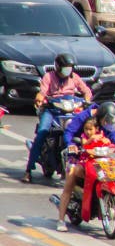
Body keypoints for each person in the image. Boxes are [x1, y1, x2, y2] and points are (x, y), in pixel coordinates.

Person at [22, 53, 92, 184]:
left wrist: (87, 100)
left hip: (69, 110)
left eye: (70, 67)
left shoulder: (74, 77)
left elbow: (86, 91)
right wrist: (40, 98)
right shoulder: (48, 77)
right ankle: (28, 170)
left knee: (83, 133)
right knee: (42, 132)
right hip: (52, 110)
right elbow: (42, 92)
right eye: (66, 67)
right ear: (58, 67)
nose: (68, 70)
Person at [52, 112, 115, 232]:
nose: (88, 131)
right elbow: (81, 141)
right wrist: (84, 142)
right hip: (80, 160)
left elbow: (111, 141)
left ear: (97, 128)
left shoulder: (103, 133)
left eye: (91, 129)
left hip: (99, 162)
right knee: (72, 175)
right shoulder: (84, 135)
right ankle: (61, 220)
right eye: (86, 129)